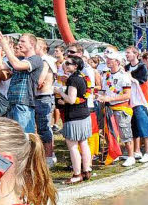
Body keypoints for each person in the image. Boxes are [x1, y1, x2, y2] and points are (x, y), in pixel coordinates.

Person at [0, 32, 42, 134]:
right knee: (14, 138)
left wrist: (5, 46)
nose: (19, 43)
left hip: (24, 103)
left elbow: (17, 65)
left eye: (23, 41)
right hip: (12, 103)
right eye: (19, 41)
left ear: (32, 44)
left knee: (25, 137)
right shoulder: (20, 59)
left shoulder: (36, 59)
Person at [97, 50, 136, 167]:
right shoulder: (106, 75)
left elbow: (127, 95)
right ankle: (115, 153)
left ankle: (131, 156)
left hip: (121, 108)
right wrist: (99, 96)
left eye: (110, 59)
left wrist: (109, 99)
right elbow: (104, 91)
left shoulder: (124, 76)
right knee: (109, 132)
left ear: (117, 61)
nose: (107, 61)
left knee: (125, 133)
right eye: (107, 59)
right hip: (108, 108)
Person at [57, 55, 93, 183]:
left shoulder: (73, 80)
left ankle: (77, 174)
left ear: (75, 66)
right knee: (84, 143)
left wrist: (60, 92)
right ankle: (87, 170)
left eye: (68, 63)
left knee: (73, 146)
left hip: (74, 117)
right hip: (84, 114)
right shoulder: (83, 77)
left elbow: (71, 100)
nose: (65, 65)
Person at [125, 47, 148, 163]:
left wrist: (130, 77)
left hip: (140, 102)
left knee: (145, 127)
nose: (126, 55)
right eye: (126, 53)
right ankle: (136, 151)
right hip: (129, 102)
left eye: (128, 53)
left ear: (135, 54)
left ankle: (147, 152)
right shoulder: (126, 67)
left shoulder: (142, 67)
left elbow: (142, 82)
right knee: (133, 128)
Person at [33, 38, 57, 167]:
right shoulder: (45, 60)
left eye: (34, 46)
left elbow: (39, 81)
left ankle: (49, 156)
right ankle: (49, 154)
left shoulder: (45, 60)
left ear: (42, 47)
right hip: (41, 96)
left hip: (44, 96)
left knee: (44, 128)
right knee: (43, 127)